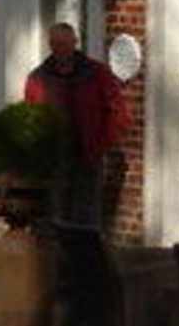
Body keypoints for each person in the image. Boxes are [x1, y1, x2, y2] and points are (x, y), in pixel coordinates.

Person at [24, 21, 124, 226]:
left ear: (75, 42)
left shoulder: (96, 74)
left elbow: (117, 112)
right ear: (50, 45)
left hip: (88, 155)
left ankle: (84, 247)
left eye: (65, 44)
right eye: (56, 44)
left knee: (86, 217)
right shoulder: (38, 78)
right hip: (55, 159)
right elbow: (31, 118)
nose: (61, 50)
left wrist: (101, 145)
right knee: (56, 216)